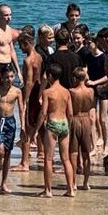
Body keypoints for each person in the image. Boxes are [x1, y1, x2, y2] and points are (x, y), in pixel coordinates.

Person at [33, 62, 76, 197]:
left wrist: (36, 129)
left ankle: (48, 190)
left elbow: (43, 113)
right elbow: (70, 113)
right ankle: (70, 189)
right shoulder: (66, 92)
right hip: (64, 123)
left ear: (50, 76)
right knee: (66, 159)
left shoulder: (47, 92)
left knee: (48, 159)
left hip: (52, 123)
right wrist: (69, 126)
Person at [0, 67, 21, 193]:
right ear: (1, 77)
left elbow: (22, 110)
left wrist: (23, 126)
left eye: (12, 77)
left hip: (10, 123)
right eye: (7, 77)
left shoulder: (17, 91)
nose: (9, 79)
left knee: (7, 154)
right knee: (0, 151)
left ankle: (4, 183)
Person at [17, 29, 43, 172]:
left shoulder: (28, 60)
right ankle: (42, 153)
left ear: (26, 43)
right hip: (39, 92)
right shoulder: (39, 57)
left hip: (31, 94)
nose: (20, 48)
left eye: (21, 45)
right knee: (39, 124)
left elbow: (29, 82)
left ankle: (25, 162)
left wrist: (24, 101)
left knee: (26, 128)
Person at [68, 63, 96, 191]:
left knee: (73, 153)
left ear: (74, 78)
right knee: (86, 153)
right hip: (86, 120)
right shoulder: (91, 91)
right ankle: (86, 182)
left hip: (75, 119)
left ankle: (73, 182)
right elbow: (92, 106)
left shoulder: (72, 92)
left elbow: (69, 110)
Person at [85, 30, 108, 153]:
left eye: (89, 43)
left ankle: (105, 145)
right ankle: (94, 146)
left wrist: (95, 82)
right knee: (91, 118)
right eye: (87, 43)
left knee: (102, 119)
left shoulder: (103, 57)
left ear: (95, 43)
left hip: (103, 89)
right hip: (92, 90)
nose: (88, 45)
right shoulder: (88, 57)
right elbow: (86, 70)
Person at [0, 3, 22, 85]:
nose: (9, 18)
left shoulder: (9, 29)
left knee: (10, 88)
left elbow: (12, 51)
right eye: (6, 15)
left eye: (10, 15)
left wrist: (18, 71)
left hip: (9, 63)